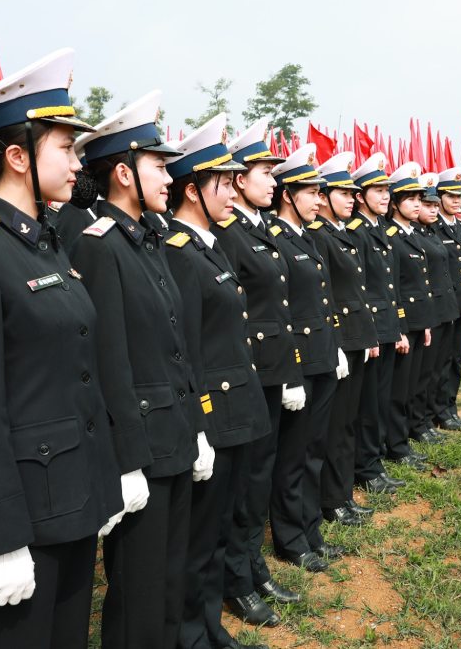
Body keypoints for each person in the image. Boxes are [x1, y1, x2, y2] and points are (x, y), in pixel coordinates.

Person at [0, 48, 124, 648]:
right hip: (23, 515)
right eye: (65, 147)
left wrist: (102, 481)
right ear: (17, 156)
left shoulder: (46, 245)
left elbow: (75, 375)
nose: (76, 160)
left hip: (72, 499)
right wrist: (1, 537)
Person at [72, 90, 211, 649]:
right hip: (142, 448)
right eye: (158, 165)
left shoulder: (149, 240)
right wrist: (126, 459)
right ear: (124, 173)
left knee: (171, 575)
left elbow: (175, 344)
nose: (169, 175)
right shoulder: (99, 245)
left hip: (174, 434)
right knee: (139, 587)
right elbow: (108, 361)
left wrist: (197, 429)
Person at [162, 113, 271, 649]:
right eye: (223, 184)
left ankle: (208, 624)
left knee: (220, 523)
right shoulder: (181, 254)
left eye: (233, 183)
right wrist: (199, 423)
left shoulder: (209, 245)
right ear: (191, 190)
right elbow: (186, 350)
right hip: (213, 411)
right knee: (199, 537)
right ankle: (192, 631)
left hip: (238, 404)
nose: (233, 193)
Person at [218, 118, 304, 627]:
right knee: (244, 481)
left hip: (270, 371)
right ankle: (237, 577)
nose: (273, 181)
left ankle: (251, 566)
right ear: (238, 180)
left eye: (273, 173)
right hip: (245, 373)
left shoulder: (258, 228)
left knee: (259, 475)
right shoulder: (229, 234)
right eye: (263, 172)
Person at [267, 144, 346, 570]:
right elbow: (282, 312)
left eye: (320, 193)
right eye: (312, 193)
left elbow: (321, 300)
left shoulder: (306, 238)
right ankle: (290, 537)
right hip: (298, 362)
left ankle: (310, 528)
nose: (320, 200)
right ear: (289, 195)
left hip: (321, 357)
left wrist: (333, 346)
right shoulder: (276, 240)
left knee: (314, 448)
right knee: (293, 455)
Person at [305, 150, 380, 527]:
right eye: (343, 193)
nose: (351, 199)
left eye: (353, 194)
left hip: (354, 338)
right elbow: (326, 295)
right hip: (339, 341)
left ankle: (342, 492)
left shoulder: (340, 233)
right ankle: (330, 499)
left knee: (347, 422)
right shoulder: (320, 236)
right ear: (323, 197)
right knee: (333, 427)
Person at [347, 153, 408, 494]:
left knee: (379, 398)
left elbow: (389, 286)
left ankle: (373, 461)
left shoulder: (379, 229)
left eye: (387, 191)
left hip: (385, 326)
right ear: (360, 196)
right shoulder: (357, 232)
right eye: (377, 190)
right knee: (367, 403)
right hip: (369, 329)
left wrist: (396, 326)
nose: (385, 197)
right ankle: (366, 467)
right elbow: (360, 288)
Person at [385, 162, 433, 472]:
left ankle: (402, 439)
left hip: (417, 320)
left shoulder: (413, 234)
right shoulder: (392, 236)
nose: (417, 204)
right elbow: (394, 287)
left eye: (419, 198)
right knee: (397, 390)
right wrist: (401, 327)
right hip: (403, 322)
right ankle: (396, 444)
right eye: (411, 198)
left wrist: (424, 323)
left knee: (411, 384)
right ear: (395, 202)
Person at [431, 167, 461, 432]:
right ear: (439, 197)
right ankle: (436, 410)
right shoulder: (432, 228)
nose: (456, 201)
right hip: (442, 307)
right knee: (439, 360)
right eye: (450, 196)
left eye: (458, 196)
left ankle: (450, 406)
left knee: (456, 359)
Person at [409, 175, 456, 446]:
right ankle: (419, 420)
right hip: (428, 312)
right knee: (423, 373)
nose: (431, 209)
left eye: (433, 205)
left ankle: (427, 417)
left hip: (442, 309)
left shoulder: (431, 233)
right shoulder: (413, 235)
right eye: (425, 204)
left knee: (437, 368)